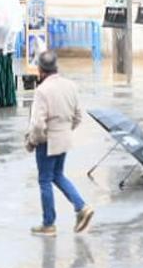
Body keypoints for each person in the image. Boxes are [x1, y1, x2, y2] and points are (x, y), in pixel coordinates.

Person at [26, 53, 93, 236]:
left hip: (47, 141)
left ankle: (49, 224)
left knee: (45, 180)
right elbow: (78, 115)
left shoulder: (42, 91)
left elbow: (38, 124)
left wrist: (32, 141)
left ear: (40, 70)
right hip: (64, 139)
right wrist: (65, 129)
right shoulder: (70, 86)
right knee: (57, 175)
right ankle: (81, 206)